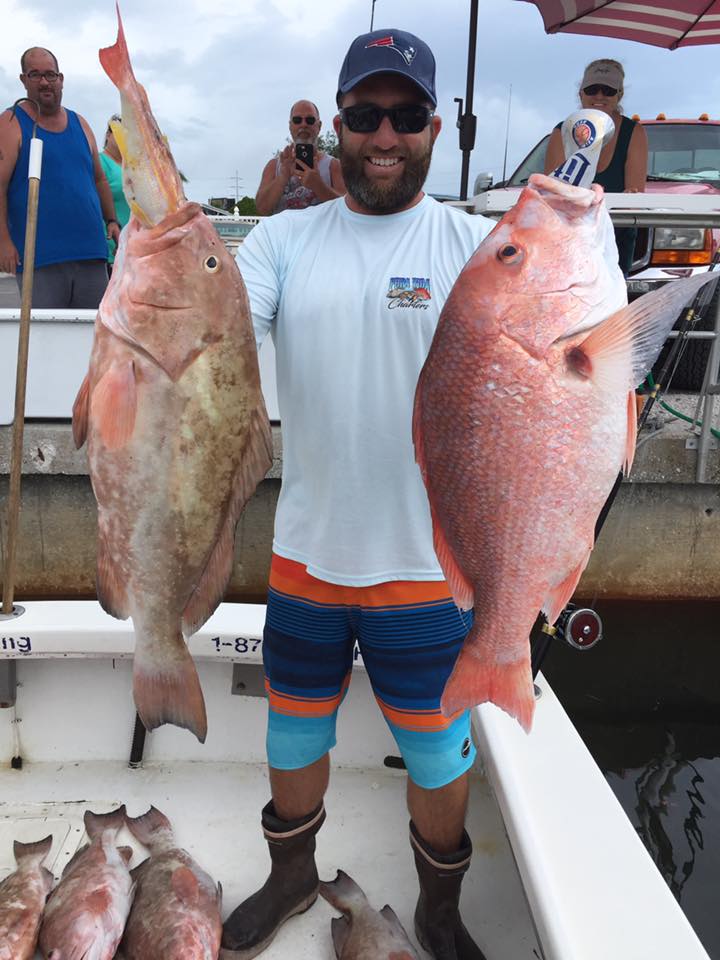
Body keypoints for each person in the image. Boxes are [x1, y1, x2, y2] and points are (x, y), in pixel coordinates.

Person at [223, 28, 494, 960]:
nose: (386, 134)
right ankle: (293, 878)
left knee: (435, 748)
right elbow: (218, 322)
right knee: (294, 732)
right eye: (367, 115)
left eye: (407, 115)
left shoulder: (476, 247)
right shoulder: (282, 241)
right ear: (337, 124)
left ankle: (441, 909)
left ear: (434, 127)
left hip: (429, 563)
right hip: (306, 553)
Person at [0, 47, 120, 307]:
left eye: (50, 75)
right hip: (40, 258)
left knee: (92, 338)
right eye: (35, 75)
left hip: (91, 253)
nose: (44, 81)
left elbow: (99, 179)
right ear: (23, 79)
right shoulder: (11, 123)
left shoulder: (81, 123)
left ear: (61, 78)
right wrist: (4, 241)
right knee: (46, 340)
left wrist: (111, 219)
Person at [544, 58, 648, 276]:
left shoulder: (634, 132)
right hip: (568, 240)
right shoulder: (561, 131)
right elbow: (551, 191)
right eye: (592, 89)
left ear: (618, 95)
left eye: (608, 90)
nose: (599, 96)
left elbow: (635, 194)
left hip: (615, 242)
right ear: (581, 94)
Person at [255, 99, 345, 215]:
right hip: (283, 233)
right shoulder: (274, 166)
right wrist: (282, 178)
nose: (303, 124)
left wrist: (318, 185)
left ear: (319, 126)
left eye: (310, 120)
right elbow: (262, 209)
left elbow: (347, 210)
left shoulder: (333, 166)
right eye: (297, 120)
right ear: (290, 126)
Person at [99, 114, 130, 274]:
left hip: (132, 253)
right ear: (108, 135)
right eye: (118, 132)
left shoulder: (132, 167)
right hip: (109, 252)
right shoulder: (99, 162)